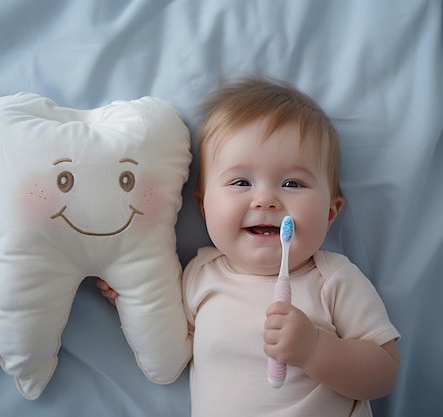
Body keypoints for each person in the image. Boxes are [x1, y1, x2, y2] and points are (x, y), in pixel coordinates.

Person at [98, 76, 400, 417]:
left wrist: (315, 351)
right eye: (241, 182)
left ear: (330, 213)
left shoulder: (333, 279)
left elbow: (384, 373)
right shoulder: (199, 275)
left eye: (292, 183)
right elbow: (169, 342)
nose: (266, 200)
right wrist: (129, 296)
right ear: (204, 207)